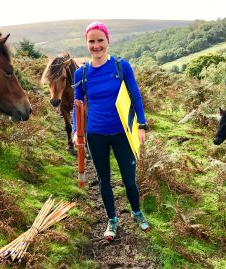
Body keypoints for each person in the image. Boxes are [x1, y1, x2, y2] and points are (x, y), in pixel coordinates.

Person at [72, 22, 150, 241]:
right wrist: (76, 130)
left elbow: (135, 95)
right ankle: (112, 220)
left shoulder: (120, 66)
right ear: (87, 43)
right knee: (103, 179)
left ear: (107, 41)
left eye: (100, 41)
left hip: (123, 133)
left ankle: (136, 211)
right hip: (95, 134)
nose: (96, 46)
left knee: (129, 179)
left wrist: (141, 125)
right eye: (91, 41)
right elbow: (76, 105)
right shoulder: (81, 73)